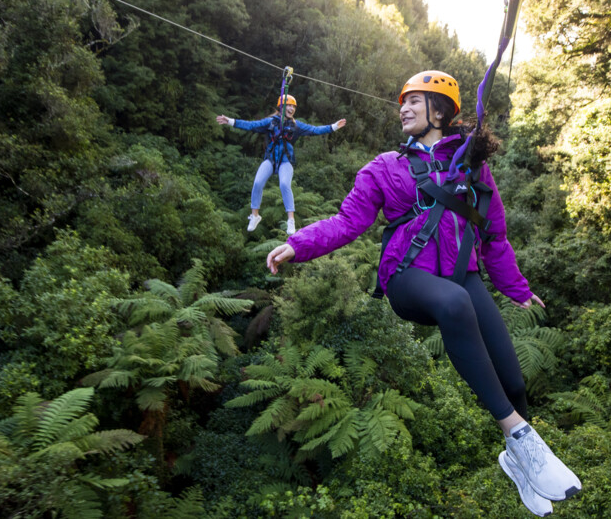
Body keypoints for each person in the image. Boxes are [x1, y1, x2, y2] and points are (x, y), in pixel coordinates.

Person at [266, 71, 581, 516]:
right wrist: (299, 245)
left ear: (440, 110)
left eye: (414, 101)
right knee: (454, 304)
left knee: (513, 379)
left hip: (463, 275)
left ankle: (519, 464)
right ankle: (520, 438)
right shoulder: (383, 168)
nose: (404, 108)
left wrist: (516, 288)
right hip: (407, 276)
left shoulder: (471, 165)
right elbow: (346, 222)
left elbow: (494, 235)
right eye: (402, 103)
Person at [216, 95, 347, 235]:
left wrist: (333, 127)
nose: (291, 109)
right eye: (289, 105)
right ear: (281, 107)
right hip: (271, 160)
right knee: (257, 182)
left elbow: (315, 130)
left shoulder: (296, 125)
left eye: (293, 106)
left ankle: (291, 220)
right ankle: (255, 215)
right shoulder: (270, 122)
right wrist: (230, 121)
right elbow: (251, 125)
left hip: (286, 161)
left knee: (284, 184)